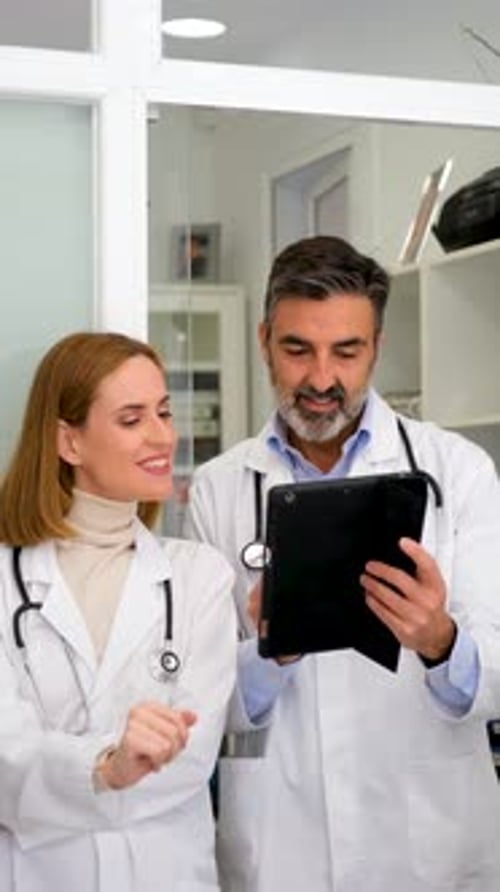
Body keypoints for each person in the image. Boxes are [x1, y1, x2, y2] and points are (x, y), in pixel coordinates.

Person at [184, 235, 500, 892]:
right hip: (284, 845)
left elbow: (496, 666)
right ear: (265, 338)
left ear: (377, 346)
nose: (322, 379)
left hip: (428, 844)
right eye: (298, 349)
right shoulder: (220, 487)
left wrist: (439, 641)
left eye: (347, 352)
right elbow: (200, 695)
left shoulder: (460, 471)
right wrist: (271, 648)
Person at [0, 331, 237, 892]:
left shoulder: (199, 578)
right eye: (132, 420)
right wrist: (107, 766)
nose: (162, 437)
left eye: (163, 412)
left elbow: (189, 762)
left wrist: (82, 777)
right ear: (69, 442)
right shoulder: (6, 580)